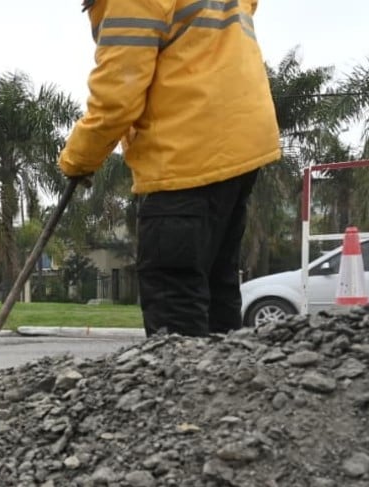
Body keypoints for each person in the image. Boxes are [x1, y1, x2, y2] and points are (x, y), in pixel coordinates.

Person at [58, 0, 281, 337]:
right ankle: (228, 383)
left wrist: (78, 159)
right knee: (216, 286)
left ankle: (183, 387)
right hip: (241, 144)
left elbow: (117, 98)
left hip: (188, 152)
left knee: (173, 293)